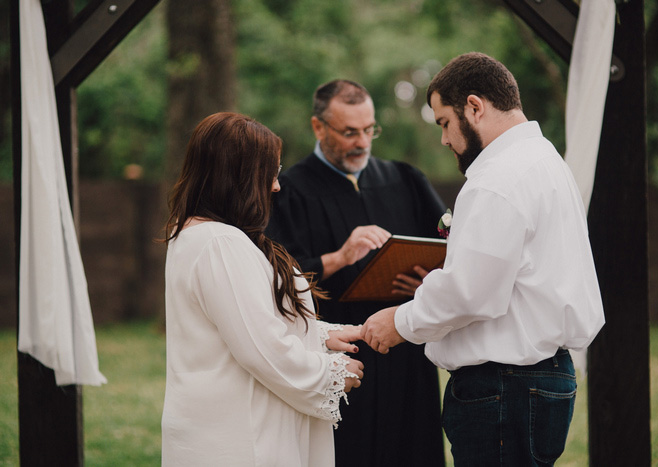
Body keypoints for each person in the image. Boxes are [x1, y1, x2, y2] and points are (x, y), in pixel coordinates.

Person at [361, 52, 606, 466]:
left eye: (443, 123)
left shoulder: (496, 178)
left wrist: (400, 322)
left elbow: (471, 293)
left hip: (503, 387)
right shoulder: (547, 162)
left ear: (474, 107)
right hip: (546, 376)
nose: (443, 140)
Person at [161, 112, 365, 466]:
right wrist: (332, 373)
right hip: (240, 436)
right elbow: (261, 348)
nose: (276, 186)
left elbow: (241, 323)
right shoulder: (219, 243)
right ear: (238, 175)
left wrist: (321, 335)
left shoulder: (197, 235)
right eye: (269, 173)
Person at [266, 80, 446, 466]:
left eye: (369, 130)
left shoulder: (405, 178)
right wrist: (339, 257)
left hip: (406, 352)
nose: (362, 142)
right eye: (349, 132)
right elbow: (274, 278)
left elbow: (453, 247)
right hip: (340, 352)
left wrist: (430, 281)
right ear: (318, 127)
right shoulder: (288, 191)